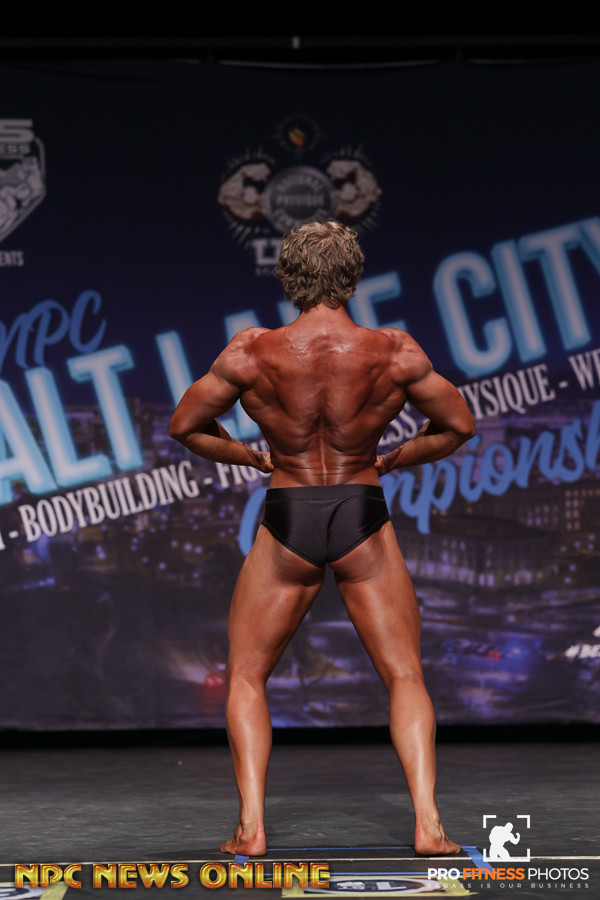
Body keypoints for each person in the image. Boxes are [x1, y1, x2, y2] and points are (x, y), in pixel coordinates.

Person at [169, 220, 475, 858]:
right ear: (352, 278)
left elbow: (185, 426)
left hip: (289, 511)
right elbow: (457, 427)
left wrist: (247, 456)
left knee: (247, 674)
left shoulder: (252, 352)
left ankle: (251, 828)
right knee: (404, 674)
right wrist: (395, 458)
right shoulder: (393, 352)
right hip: (361, 509)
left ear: (289, 278)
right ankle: (429, 825)